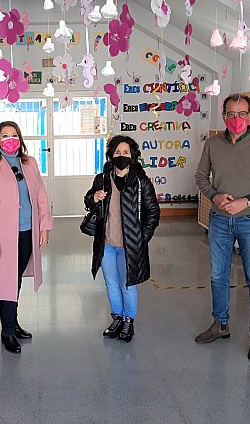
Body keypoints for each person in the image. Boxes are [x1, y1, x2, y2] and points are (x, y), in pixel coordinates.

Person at [194, 94, 250, 362]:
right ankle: (220, 324)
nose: (237, 120)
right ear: (224, 116)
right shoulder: (213, 144)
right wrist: (213, 195)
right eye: (232, 114)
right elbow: (201, 176)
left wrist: (248, 201)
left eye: (242, 114)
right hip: (219, 220)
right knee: (217, 276)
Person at [0, 121, 53, 354]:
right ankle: (7, 331)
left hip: (27, 233)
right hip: (2, 236)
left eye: (14, 135)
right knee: (6, 282)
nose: (10, 139)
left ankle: (14, 323)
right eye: (5, 136)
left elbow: (40, 195)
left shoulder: (29, 164)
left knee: (16, 279)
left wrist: (44, 227)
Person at [84, 135, 160, 343]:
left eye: (126, 152)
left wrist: (141, 238)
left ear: (133, 156)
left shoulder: (141, 182)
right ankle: (117, 317)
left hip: (130, 246)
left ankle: (128, 321)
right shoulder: (102, 179)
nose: (121, 156)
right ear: (110, 156)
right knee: (111, 283)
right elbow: (88, 201)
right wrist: (94, 198)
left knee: (128, 284)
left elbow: (153, 213)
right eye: (117, 152)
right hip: (107, 244)